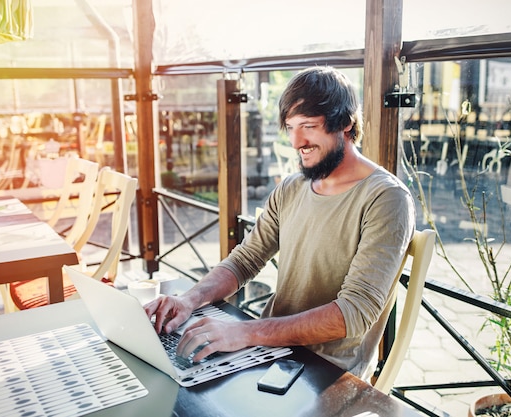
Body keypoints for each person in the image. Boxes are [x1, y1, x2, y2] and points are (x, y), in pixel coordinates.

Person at [145, 66, 416, 380]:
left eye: (308, 126)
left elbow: (354, 313)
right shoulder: (292, 187)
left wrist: (245, 332)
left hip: (326, 373)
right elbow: (246, 260)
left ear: (346, 123)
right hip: (267, 349)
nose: (296, 141)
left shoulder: (386, 198)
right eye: (290, 127)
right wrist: (189, 300)